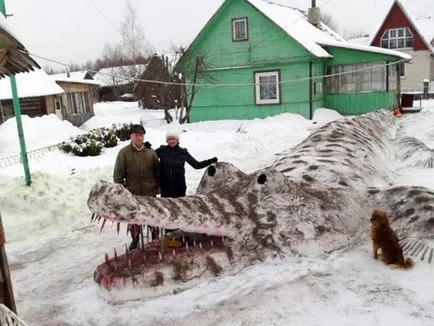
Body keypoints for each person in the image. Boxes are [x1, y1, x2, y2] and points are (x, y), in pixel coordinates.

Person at [113, 124, 160, 250]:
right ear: (131, 136)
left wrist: (158, 187)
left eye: (141, 135)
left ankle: (155, 237)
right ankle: (135, 239)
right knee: (134, 218)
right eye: (136, 135)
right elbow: (118, 175)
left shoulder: (150, 152)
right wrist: (122, 192)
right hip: (133, 193)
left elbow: (157, 171)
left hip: (150, 191)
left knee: (152, 215)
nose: (138, 138)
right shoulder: (124, 153)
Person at [155, 131, 218, 198]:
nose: (171, 141)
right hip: (165, 186)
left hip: (179, 187)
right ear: (167, 141)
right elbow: (149, 155)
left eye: (173, 139)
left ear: (177, 140)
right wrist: (146, 147)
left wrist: (210, 161)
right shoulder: (162, 150)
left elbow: (196, 165)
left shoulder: (183, 152)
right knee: (165, 207)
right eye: (169, 139)